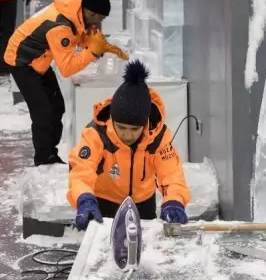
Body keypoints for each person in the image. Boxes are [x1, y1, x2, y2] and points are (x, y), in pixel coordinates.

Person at [4, 0, 128, 166]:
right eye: (100, 18)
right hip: (22, 61)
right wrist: (93, 52)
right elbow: (67, 68)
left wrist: (99, 44)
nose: (100, 23)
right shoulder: (60, 26)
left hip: (39, 59)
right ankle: (44, 159)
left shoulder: (72, 12)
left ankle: (50, 154)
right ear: (90, 12)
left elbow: (75, 37)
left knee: (57, 106)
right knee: (43, 112)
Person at [67, 60, 191, 231]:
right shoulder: (96, 134)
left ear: (145, 123)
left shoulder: (159, 137)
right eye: (121, 127)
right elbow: (80, 172)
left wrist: (174, 201)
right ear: (112, 119)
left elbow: (172, 174)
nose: (127, 134)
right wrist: (84, 199)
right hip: (104, 203)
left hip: (143, 204)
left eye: (134, 129)